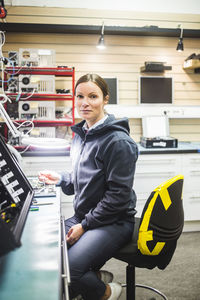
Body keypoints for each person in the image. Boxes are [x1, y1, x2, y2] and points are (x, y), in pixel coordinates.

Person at [38, 74, 138, 300]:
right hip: (85, 216)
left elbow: (118, 198)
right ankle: (92, 279)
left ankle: (108, 292)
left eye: (93, 96)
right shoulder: (82, 134)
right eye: (80, 96)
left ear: (105, 99)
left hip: (114, 221)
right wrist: (61, 178)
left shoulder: (117, 142)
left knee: (71, 269)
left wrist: (84, 225)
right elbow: (83, 178)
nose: (85, 102)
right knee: (47, 255)